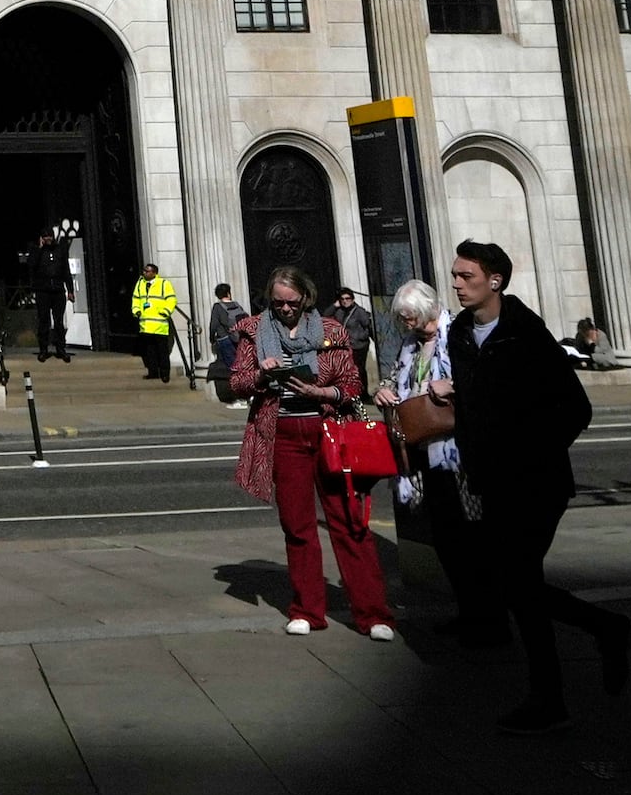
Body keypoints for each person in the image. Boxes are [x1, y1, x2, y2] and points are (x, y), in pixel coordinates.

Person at [442, 239, 631, 732]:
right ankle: (604, 631)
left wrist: (529, 452)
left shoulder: (525, 333)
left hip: (535, 481)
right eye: (456, 275)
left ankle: (551, 696)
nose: (457, 284)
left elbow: (575, 408)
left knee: (518, 584)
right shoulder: (460, 333)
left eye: (466, 276)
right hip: (490, 480)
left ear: (495, 281)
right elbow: (480, 402)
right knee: (516, 585)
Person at [224, 265, 395, 640]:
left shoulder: (331, 331)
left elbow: (352, 384)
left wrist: (322, 393)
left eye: (292, 302)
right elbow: (236, 382)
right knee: (297, 526)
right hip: (283, 435)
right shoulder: (254, 331)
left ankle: (372, 614)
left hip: (329, 432)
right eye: (278, 303)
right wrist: (261, 375)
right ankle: (307, 610)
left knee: (349, 522)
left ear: (306, 297)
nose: (285, 309)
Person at [371, 280, 498, 646]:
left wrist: (453, 385)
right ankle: (468, 612)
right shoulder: (411, 343)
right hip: (423, 447)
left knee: (473, 537)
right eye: (401, 318)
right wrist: (383, 390)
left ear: (427, 310)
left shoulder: (460, 333)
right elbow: (394, 377)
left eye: (409, 316)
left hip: (460, 453)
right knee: (445, 536)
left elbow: (488, 378)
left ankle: (490, 619)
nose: (405, 323)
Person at [129, 266, 179, 381]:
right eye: (144, 271)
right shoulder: (140, 283)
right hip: (145, 325)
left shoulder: (163, 283)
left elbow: (171, 299)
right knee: (149, 351)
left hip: (159, 325)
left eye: (147, 271)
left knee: (162, 351)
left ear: (154, 273)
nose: (144, 273)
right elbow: (136, 299)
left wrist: (165, 312)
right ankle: (153, 372)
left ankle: (165, 373)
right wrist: (136, 311)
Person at [205, 284, 245, 397]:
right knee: (240, 364)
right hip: (238, 339)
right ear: (228, 293)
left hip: (224, 339)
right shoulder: (237, 305)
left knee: (231, 367)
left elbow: (213, 325)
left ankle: (236, 393)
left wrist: (212, 339)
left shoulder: (217, 307)